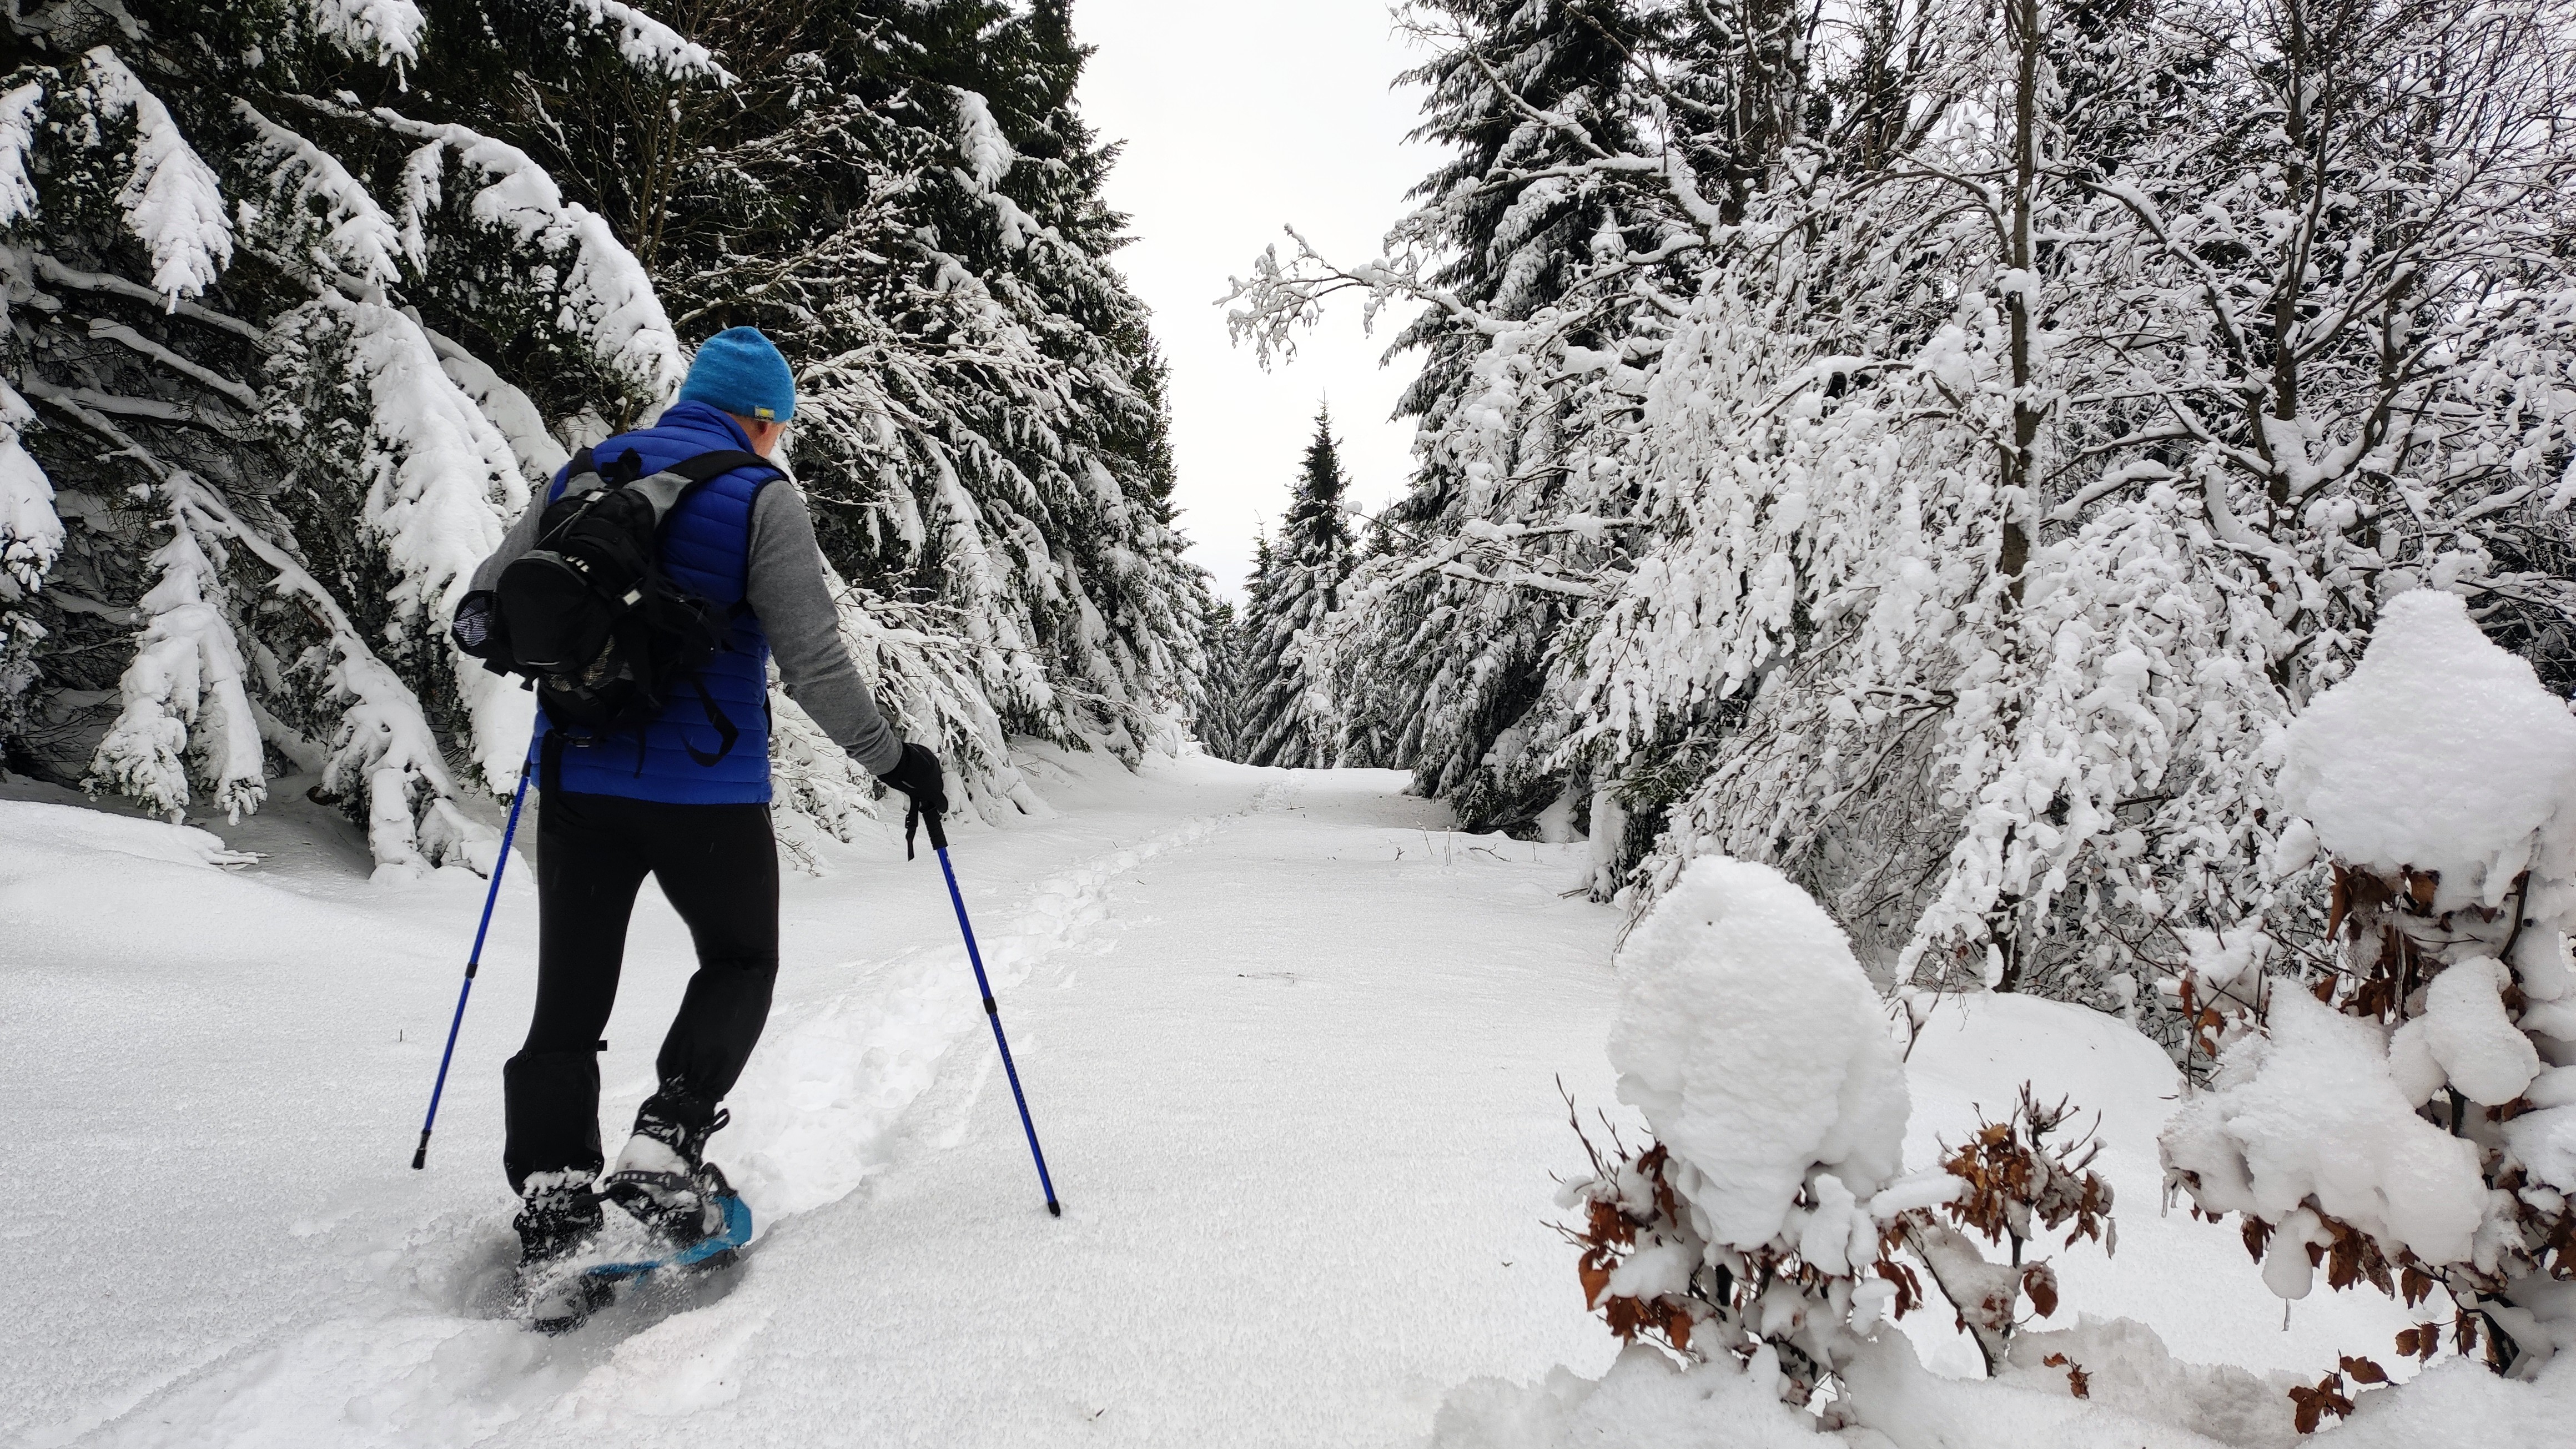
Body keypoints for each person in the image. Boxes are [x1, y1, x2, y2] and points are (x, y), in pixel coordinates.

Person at [466, 326, 945, 1284]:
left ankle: (556, 1204)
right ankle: (663, 1145)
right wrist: (895, 760)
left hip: (578, 784)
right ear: (762, 420)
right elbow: (812, 663)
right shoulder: (764, 497)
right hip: (708, 794)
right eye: (780, 426)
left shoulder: (584, 476)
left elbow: (482, 604)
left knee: (568, 1001)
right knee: (739, 959)